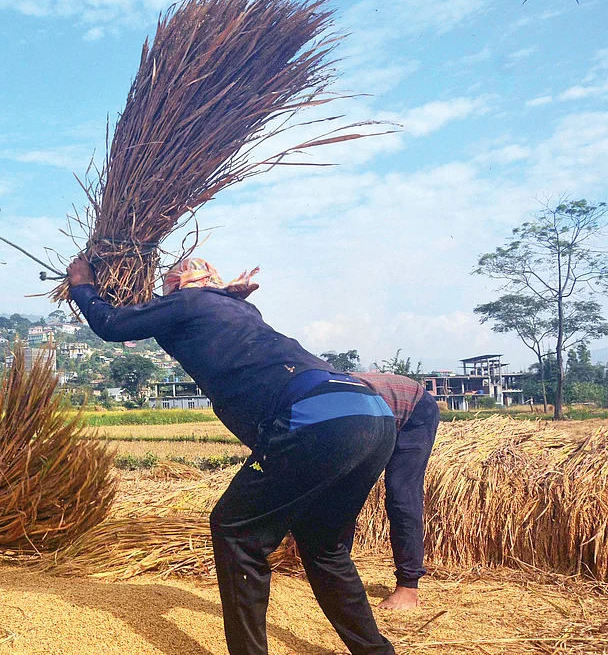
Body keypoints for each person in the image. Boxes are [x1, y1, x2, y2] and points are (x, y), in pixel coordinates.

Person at [66, 256, 397, 655]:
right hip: (371, 412)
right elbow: (166, 319)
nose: (172, 283)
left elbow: (112, 324)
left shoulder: (188, 303)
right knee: (323, 545)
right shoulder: (235, 309)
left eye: (175, 277)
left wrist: (82, 285)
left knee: (235, 530)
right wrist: (221, 293)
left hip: (316, 417)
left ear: (183, 286)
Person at [352, 372, 440, 611]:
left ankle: (408, 588)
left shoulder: (336, 406)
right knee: (345, 492)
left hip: (413, 409)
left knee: (401, 493)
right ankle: (335, 569)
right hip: (372, 413)